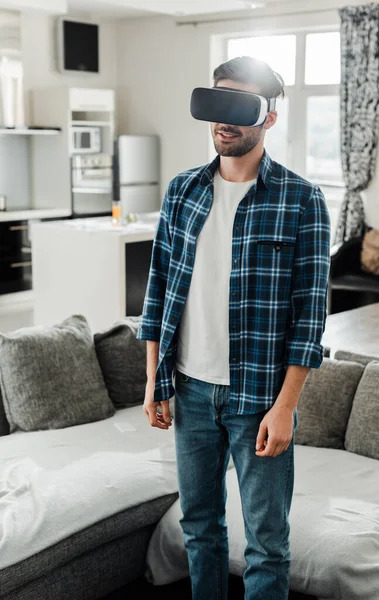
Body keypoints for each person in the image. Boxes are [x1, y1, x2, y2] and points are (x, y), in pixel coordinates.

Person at [137, 55, 331, 600]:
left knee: (267, 546)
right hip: (190, 392)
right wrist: (154, 378)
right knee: (200, 529)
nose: (224, 119)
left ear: (268, 118)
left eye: (239, 104)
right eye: (217, 100)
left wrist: (286, 406)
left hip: (259, 399)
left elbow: (308, 317)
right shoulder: (182, 192)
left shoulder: (302, 200)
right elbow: (158, 293)